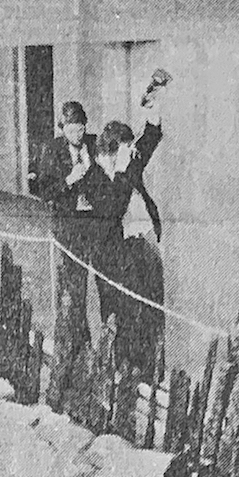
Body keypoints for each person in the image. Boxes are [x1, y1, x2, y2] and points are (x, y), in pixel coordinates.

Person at [79, 96, 164, 372]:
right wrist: (121, 171)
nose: (132, 155)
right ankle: (122, 372)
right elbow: (112, 209)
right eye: (127, 150)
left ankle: (150, 371)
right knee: (122, 317)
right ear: (112, 151)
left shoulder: (125, 163)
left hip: (141, 248)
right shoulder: (92, 177)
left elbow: (149, 141)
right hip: (112, 259)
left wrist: (153, 110)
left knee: (151, 311)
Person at [37, 101, 98, 346]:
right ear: (62, 129)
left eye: (81, 129)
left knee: (103, 281)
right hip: (69, 226)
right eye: (71, 131)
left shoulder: (94, 144)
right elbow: (44, 192)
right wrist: (68, 180)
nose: (77, 135)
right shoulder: (52, 150)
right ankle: (78, 340)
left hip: (95, 223)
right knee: (74, 285)